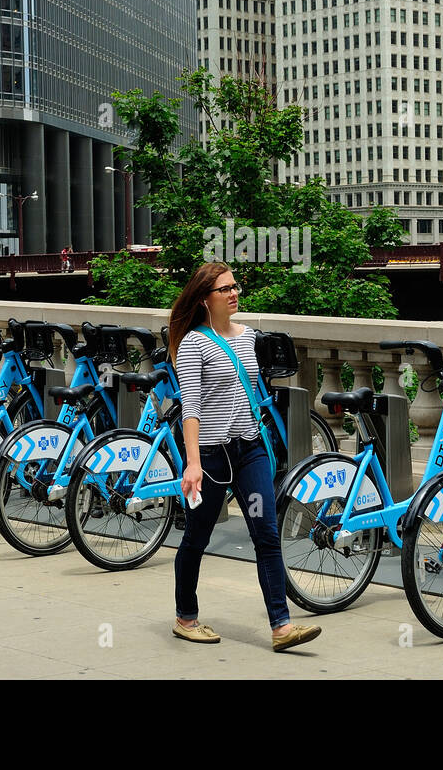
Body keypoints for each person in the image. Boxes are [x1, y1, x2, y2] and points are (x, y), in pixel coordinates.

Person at [168, 261, 321, 652]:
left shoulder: (247, 337)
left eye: (236, 286)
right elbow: (192, 408)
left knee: (266, 535)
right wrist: (193, 463)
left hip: (249, 450)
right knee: (197, 538)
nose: (235, 293)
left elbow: (251, 393)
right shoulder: (192, 344)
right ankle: (186, 617)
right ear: (205, 299)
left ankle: (282, 627)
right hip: (212, 457)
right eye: (225, 289)